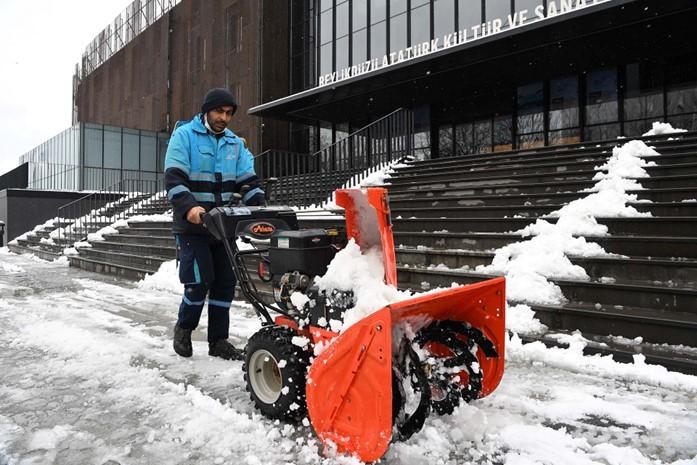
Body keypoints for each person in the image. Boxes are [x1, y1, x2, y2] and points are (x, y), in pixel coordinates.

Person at [164, 88, 265, 360]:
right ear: (206, 110)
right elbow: (174, 179)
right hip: (194, 225)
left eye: (229, 113)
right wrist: (190, 208)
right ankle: (184, 328)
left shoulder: (235, 144)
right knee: (198, 281)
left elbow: (249, 183)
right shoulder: (184, 136)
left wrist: (261, 208)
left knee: (224, 283)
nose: (224, 117)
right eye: (219, 111)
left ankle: (218, 341)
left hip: (224, 225)